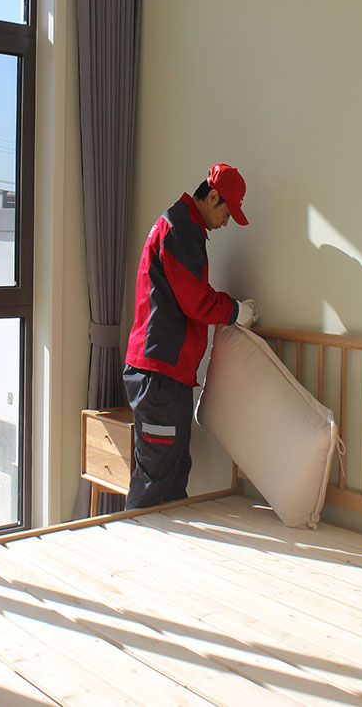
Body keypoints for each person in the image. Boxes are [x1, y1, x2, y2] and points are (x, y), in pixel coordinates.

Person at [122, 162, 259, 510]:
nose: (226, 222)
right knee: (155, 478)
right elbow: (195, 300)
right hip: (160, 372)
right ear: (212, 197)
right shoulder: (181, 228)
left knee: (173, 472)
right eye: (227, 212)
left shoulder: (180, 226)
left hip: (165, 371)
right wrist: (234, 311)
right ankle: (131, 538)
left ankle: (169, 541)